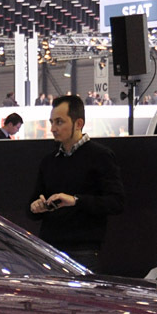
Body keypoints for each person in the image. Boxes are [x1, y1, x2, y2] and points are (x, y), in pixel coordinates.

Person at [28, 94, 125, 272]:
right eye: (51, 122)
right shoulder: (49, 160)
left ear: (78, 123)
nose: (53, 128)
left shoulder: (100, 156)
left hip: (83, 250)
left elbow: (116, 202)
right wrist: (36, 206)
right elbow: (33, 204)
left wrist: (75, 200)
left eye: (59, 122)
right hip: (49, 248)